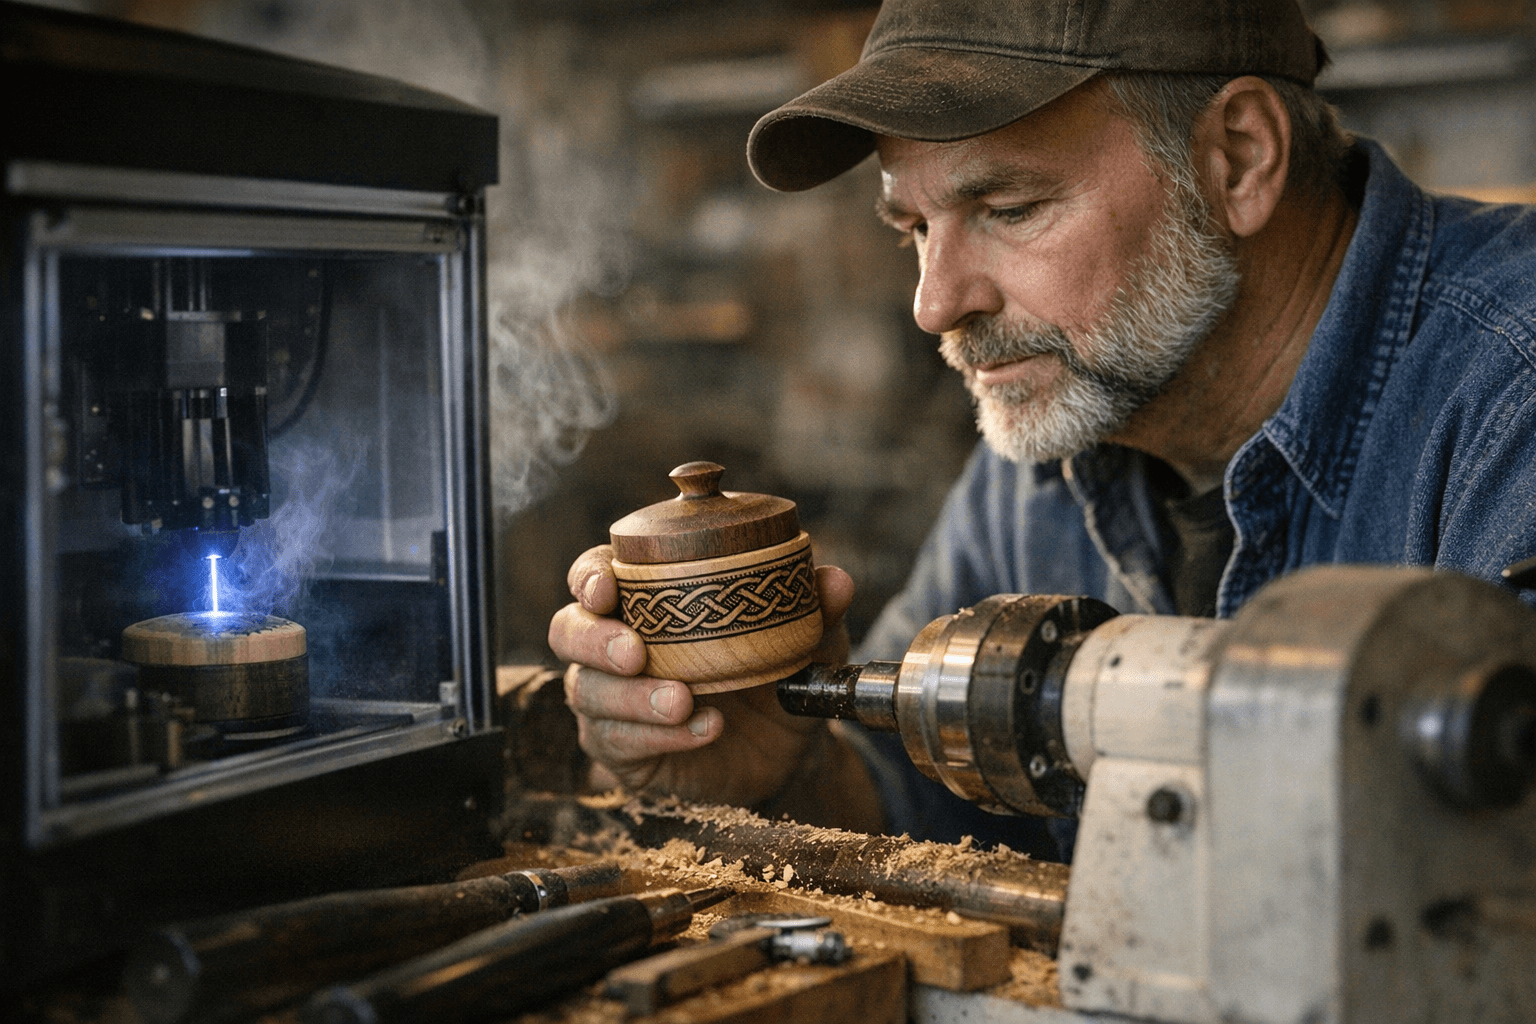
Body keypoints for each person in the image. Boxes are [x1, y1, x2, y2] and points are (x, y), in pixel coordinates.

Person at [549, 0, 1536, 857]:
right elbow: (916, 809)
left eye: (1007, 207)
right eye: (914, 230)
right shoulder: (1059, 435)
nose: (936, 304)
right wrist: (782, 767)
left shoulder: (1510, 395)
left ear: (1238, 157)